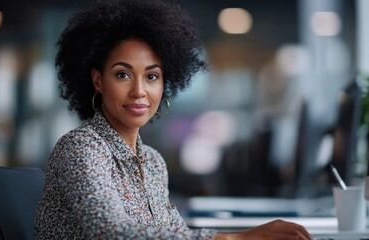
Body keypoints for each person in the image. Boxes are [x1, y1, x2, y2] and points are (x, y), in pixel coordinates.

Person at [34, 0, 313, 239]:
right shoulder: (81, 148)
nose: (139, 91)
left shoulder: (153, 163)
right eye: (123, 74)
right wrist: (234, 237)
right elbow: (109, 231)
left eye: (152, 76)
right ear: (98, 81)